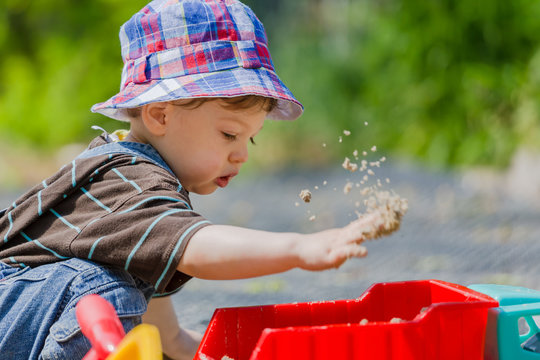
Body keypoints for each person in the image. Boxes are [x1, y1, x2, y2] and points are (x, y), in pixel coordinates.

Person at [0, 1, 401, 359]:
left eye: (251, 137)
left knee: (116, 295)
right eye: (229, 134)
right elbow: (197, 246)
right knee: (102, 289)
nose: (242, 153)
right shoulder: (129, 184)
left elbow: (167, 337)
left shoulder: (134, 221)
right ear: (159, 116)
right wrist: (298, 248)